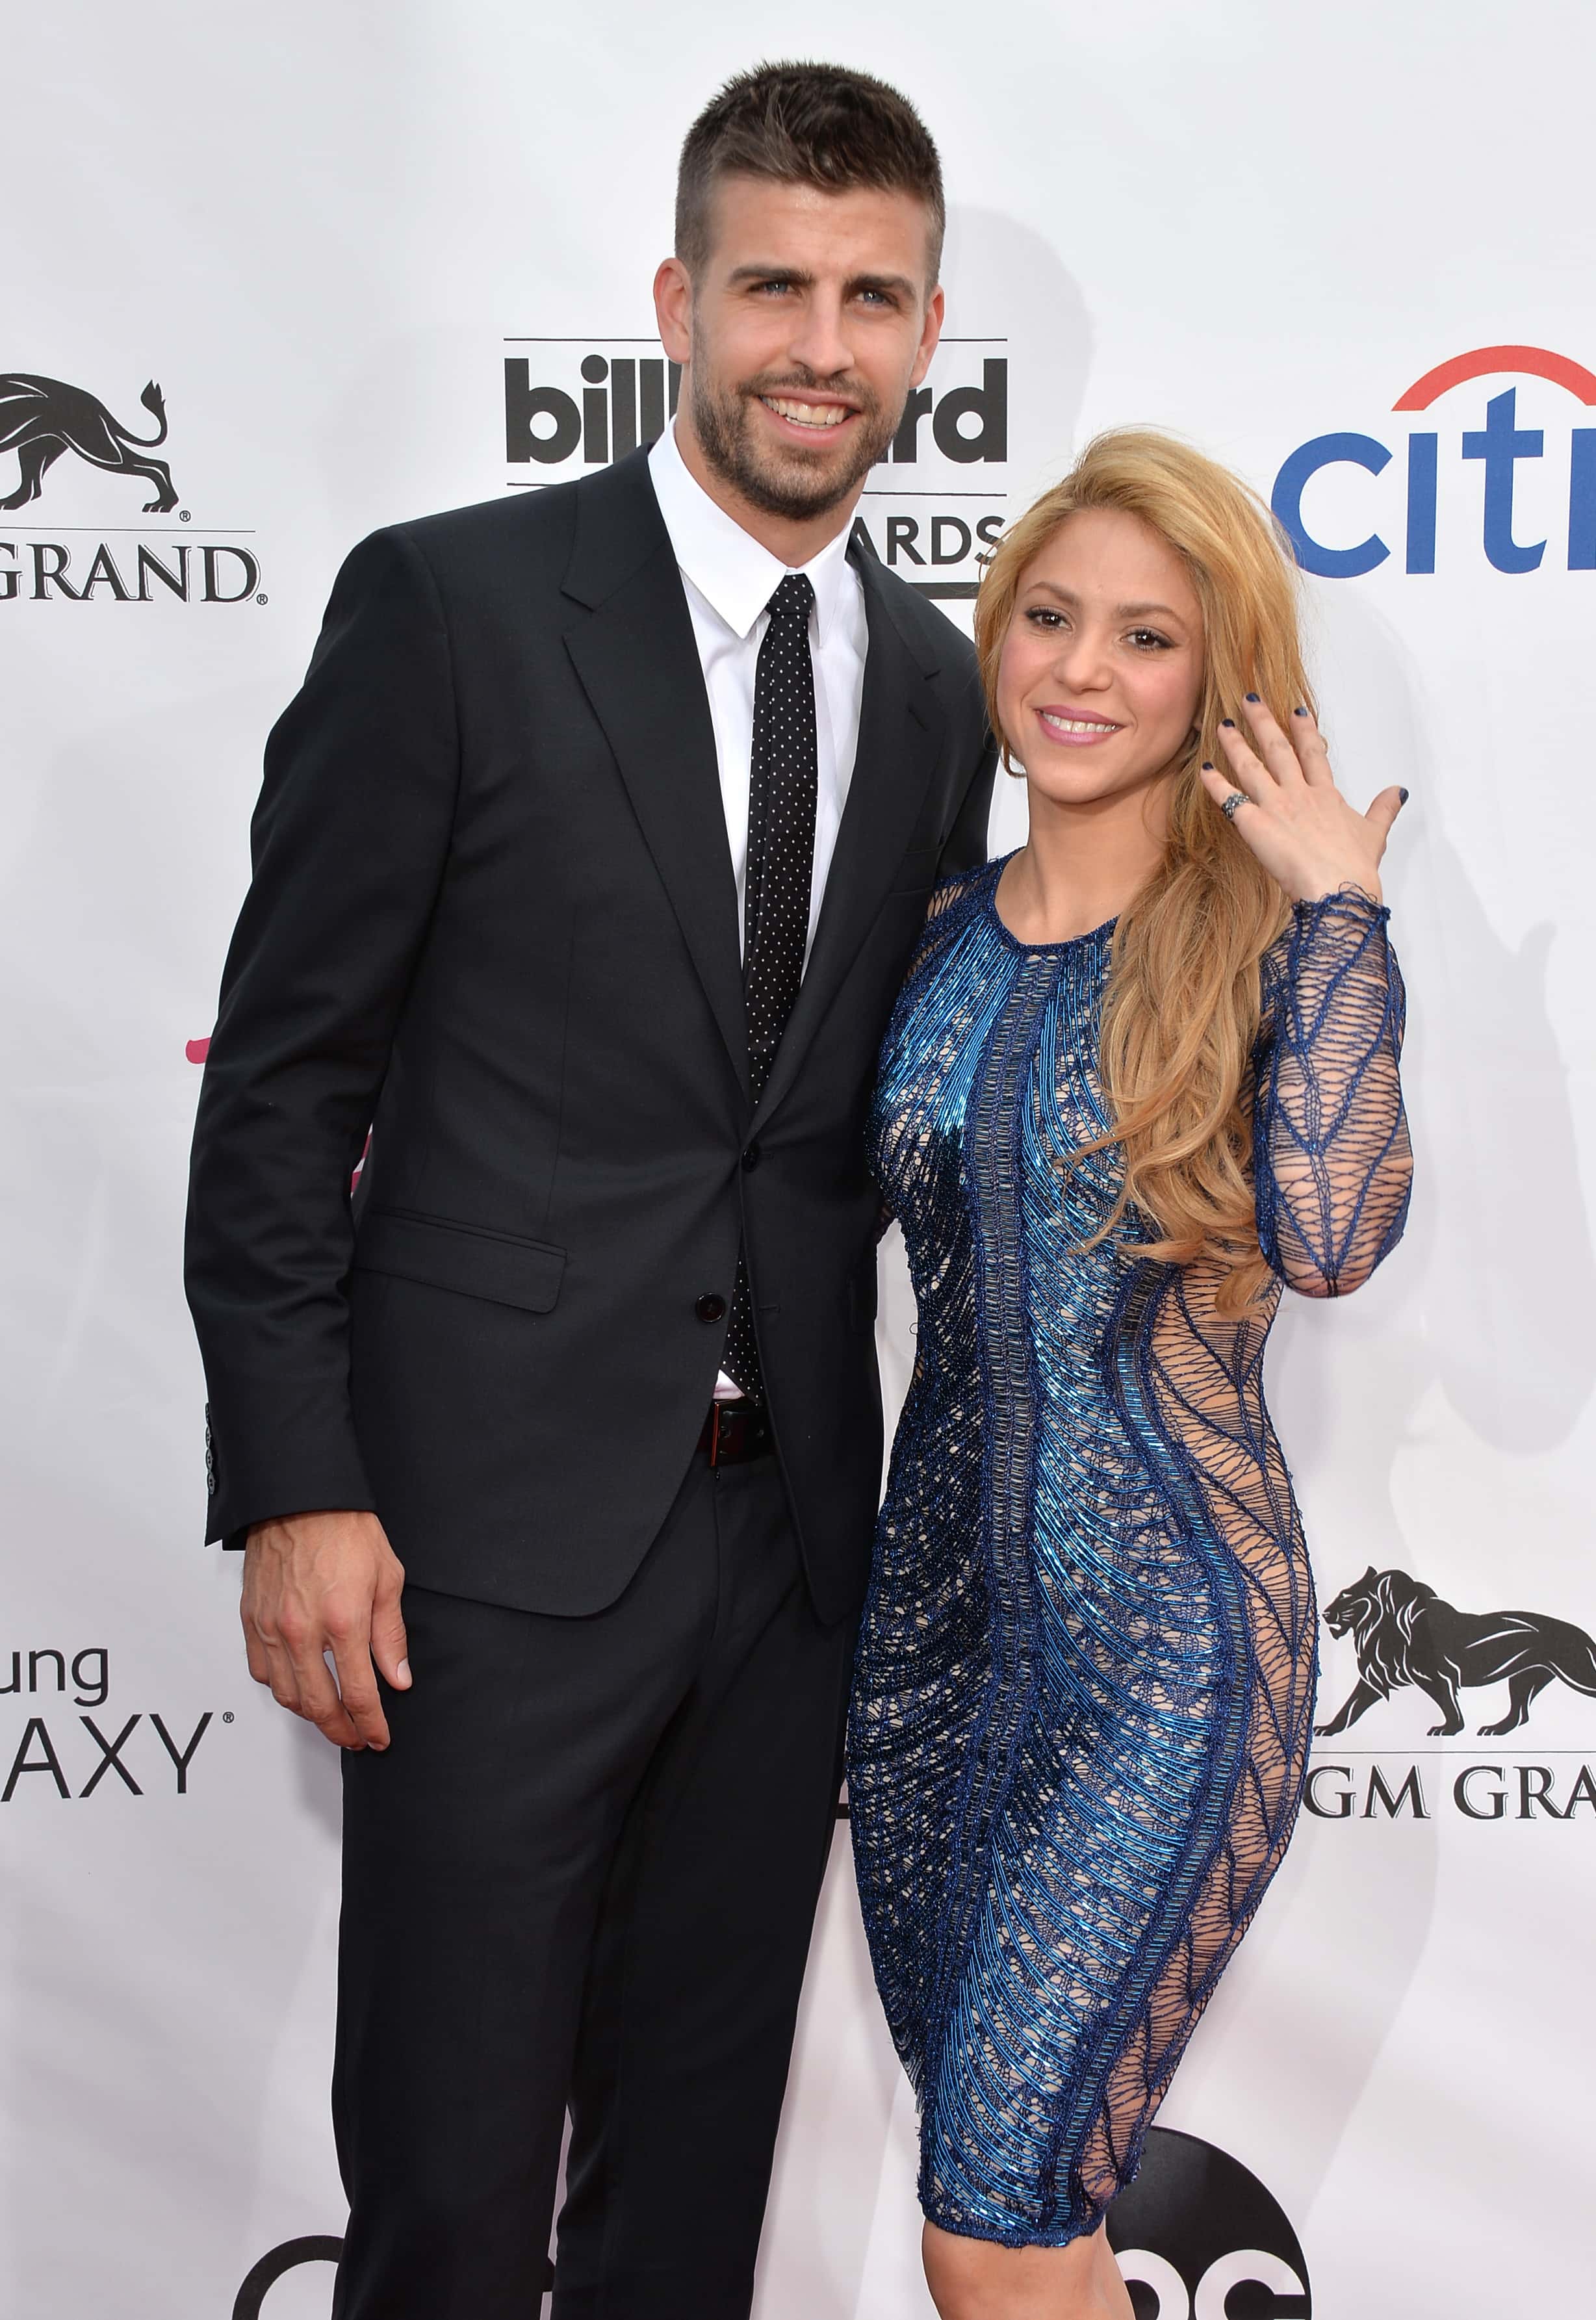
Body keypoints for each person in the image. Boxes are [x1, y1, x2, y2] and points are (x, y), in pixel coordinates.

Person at [184, 62, 994, 2320]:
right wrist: (296, 1481)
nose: (819, 345)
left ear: (931, 332)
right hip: (481, 1552)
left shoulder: (938, 691)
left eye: (871, 296)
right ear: (675, 300)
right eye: (772, 288)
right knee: (447, 2202)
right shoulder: (450, 606)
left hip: (787, 1559)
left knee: (686, 2210)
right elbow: (277, 1083)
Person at [848, 431, 1412, 2320]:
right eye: (1054, 617)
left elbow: (1333, 1234)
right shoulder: (928, 929)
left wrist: (1343, 912)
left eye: (1147, 637)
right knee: (1027, 2215)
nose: (1084, 668)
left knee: (990, 2225)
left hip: (1166, 1656)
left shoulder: (1259, 944)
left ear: (1217, 677)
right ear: (997, 637)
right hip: (928, 1652)